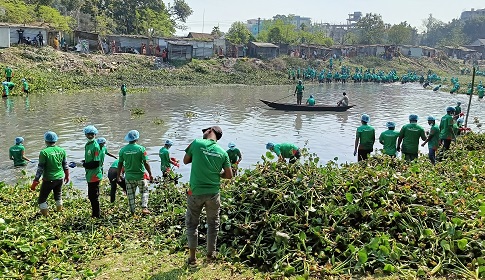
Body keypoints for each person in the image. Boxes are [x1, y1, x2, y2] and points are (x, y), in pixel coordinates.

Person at [183, 125, 232, 265]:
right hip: (213, 193)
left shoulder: (197, 143)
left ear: (210, 131)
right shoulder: (223, 152)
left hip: (196, 192)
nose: (203, 133)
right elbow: (229, 175)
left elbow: (185, 160)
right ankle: (210, 256)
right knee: (213, 224)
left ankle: (192, 258)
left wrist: (200, 158)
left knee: (192, 224)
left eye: (204, 130)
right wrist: (217, 173)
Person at [31, 131, 69, 216]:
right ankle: (59, 213)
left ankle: (47, 217)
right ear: (56, 140)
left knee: (42, 200)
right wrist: (67, 176)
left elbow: (40, 169)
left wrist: (35, 181)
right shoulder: (61, 150)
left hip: (49, 179)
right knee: (58, 196)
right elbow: (65, 165)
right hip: (60, 178)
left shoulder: (44, 152)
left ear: (45, 140)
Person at [117, 130, 153, 215]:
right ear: (137, 139)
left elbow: (120, 164)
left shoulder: (123, 150)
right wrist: (150, 174)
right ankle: (144, 207)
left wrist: (118, 176)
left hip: (129, 177)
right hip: (140, 176)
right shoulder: (141, 149)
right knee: (144, 191)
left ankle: (133, 212)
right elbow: (146, 162)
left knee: (131, 195)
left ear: (128, 139)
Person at [82, 125, 103, 218]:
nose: (90, 136)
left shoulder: (95, 146)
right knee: (91, 195)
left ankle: (96, 215)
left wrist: (83, 165)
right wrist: (82, 162)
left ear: (95, 134)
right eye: (88, 134)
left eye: (92, 134)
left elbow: (96, 163)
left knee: (93, 196)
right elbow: (89, 159)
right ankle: (95, 214)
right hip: (89, 174)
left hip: (95, 174)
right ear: (86, 135)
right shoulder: (87, 145)